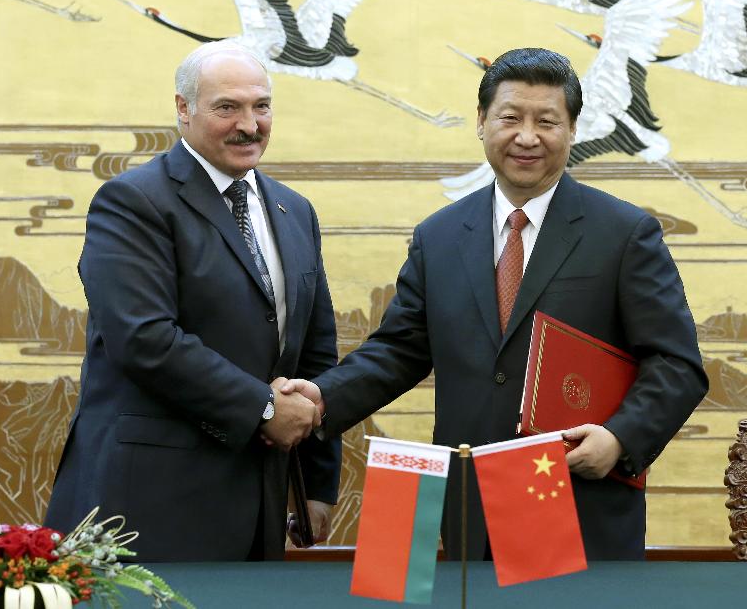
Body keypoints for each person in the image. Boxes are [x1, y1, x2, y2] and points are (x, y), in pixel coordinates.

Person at [281, 48, 708, 560]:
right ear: (482, 122)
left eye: (547, 121)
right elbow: (399, 350)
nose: (527, 137)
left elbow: (677, 364)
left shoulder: (623, 234)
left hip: (577, 502)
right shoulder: (438, 237)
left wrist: (619, 439)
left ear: (572, 129)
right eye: (510, 118)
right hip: (471, 508)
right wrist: (321, 398)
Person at [45, 41, 340, 561]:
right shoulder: (133, 201)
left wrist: (314, 483)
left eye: (261, 106)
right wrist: (265, 407)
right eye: (227, 107)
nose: (250, 124)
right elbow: (144, 339)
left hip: (260, 507)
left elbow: (314, 355)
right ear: (183, 109)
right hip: (149, 508)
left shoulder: (295, 211)